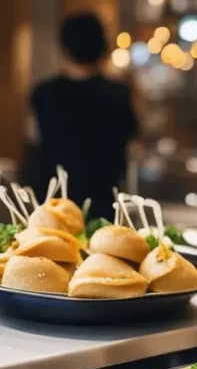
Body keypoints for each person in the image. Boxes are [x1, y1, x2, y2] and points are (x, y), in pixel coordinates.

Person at [31, 12, 138, 221]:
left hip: (53, 200)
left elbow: (34, 142)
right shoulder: (119, 94)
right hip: (105, 201)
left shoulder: (42, 93)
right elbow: (134, 147)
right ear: (102, 47)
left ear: (64, 47)